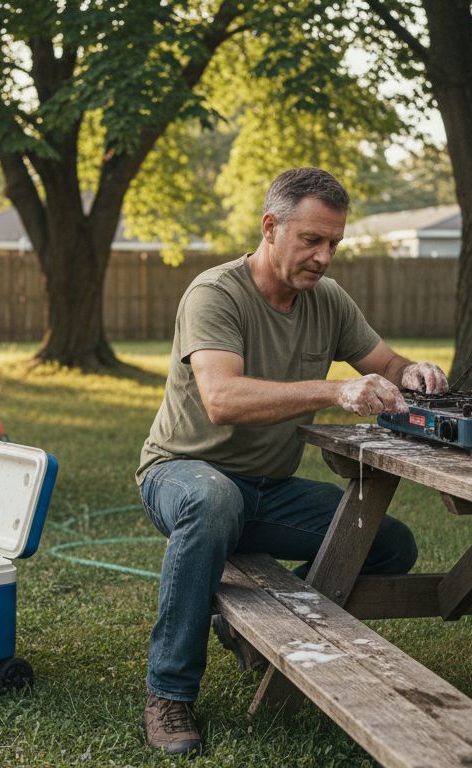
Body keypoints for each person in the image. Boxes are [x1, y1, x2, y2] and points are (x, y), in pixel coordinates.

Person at [136, 167, 449, 756]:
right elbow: (222, 399)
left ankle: (249, 627)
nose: (324, 256)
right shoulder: (215, 293)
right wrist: (334, 392)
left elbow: (382, 360)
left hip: (267, 491)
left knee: (388, 543)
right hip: (180, 475)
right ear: (270, 227)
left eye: (334, 243)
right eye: (312, 239)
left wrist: (410, 372)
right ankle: (169, 693)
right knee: (212, 498)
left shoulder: (326, 300)